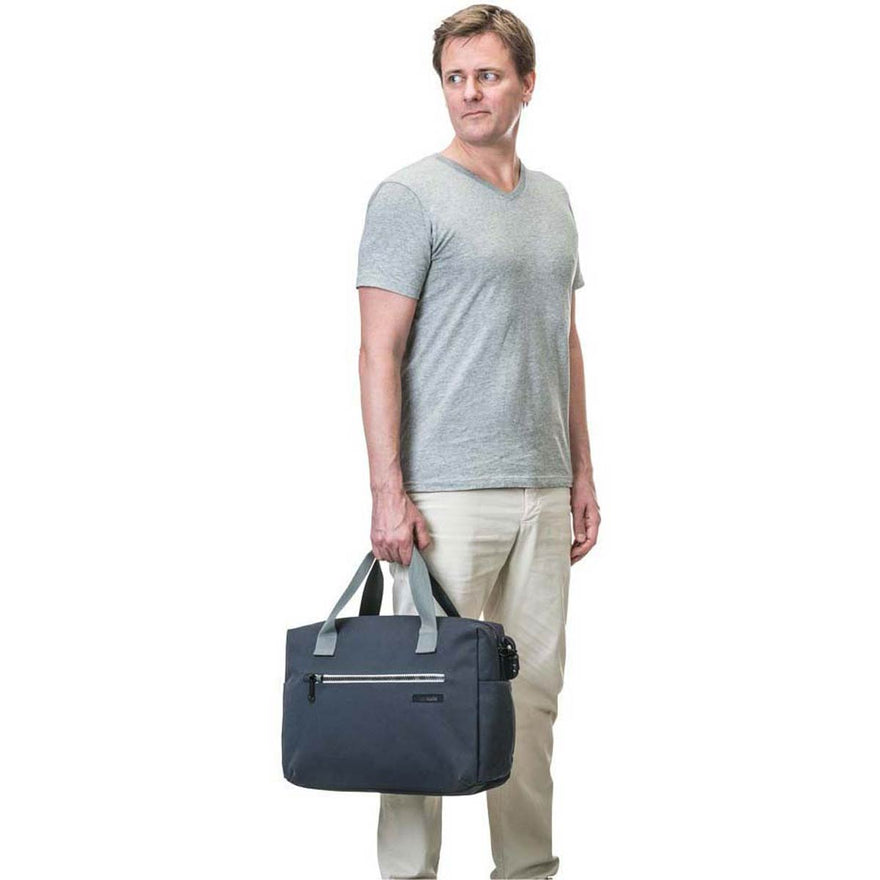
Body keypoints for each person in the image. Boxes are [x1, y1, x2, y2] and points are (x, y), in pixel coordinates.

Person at [354, 5, 600, 878]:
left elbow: (563, 340)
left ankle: (526, 870)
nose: (469, 93)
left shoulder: (555, 201)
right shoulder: (409, 197)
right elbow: (377, 351)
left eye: (487, 76)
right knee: (423, 699)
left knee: (531, 701)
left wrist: (582, 473)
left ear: (527, 84)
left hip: (542, 489)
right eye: (455, 78)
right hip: (446, 497)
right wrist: (388, 492)